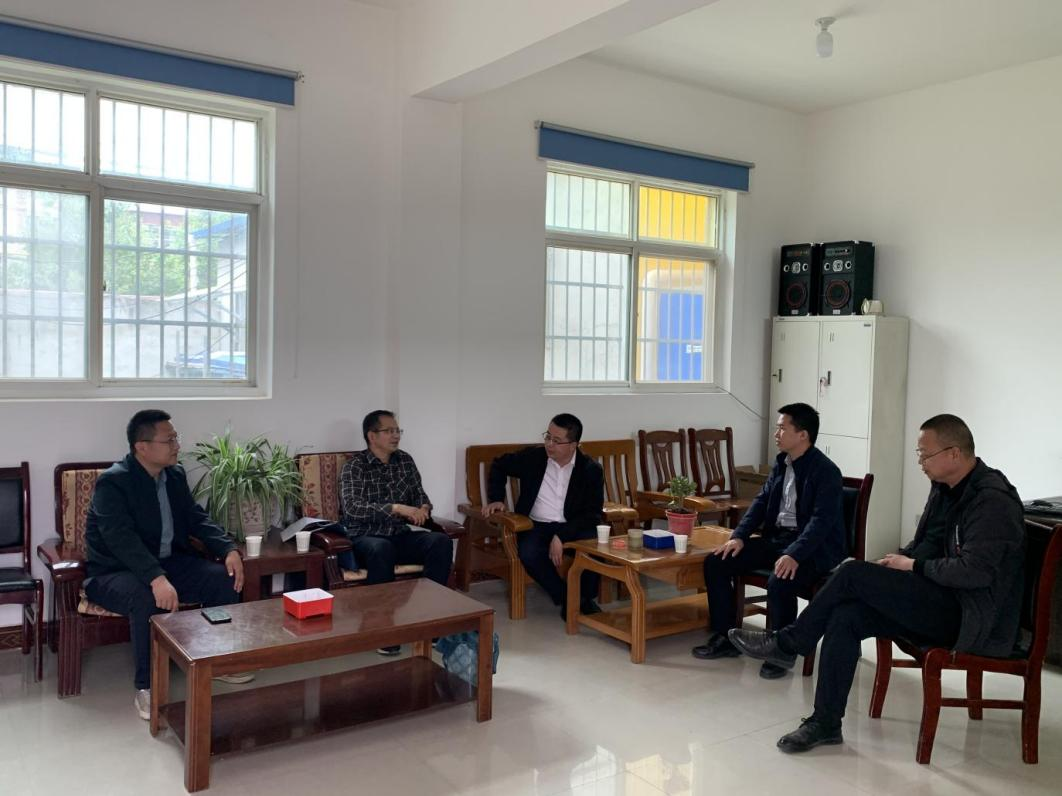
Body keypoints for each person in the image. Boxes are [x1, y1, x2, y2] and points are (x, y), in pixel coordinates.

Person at [729, 414, 1025, 753]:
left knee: (852, 573)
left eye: (924, 455)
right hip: (939, 598)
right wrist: (900, 560)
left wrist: (912, 565)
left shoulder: (991, 501)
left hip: (971, 617)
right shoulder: (946, 488)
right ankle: (825, 722)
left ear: (954, 453)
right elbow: (928, 543)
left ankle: (789, 642)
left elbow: (976, 572)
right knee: (846, 615)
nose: (920, 462)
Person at [84, 409, 250, 721]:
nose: (177, 445)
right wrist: (155, 578)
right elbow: (120, 539)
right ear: (142, 447)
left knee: (222, 578)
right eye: (169, 440)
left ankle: (217, 661)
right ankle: (147, 686)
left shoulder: (174, 475)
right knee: (145, 596)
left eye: (176, 438)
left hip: (167, 563)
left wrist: (227, 548)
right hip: (114, 572)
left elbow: (195, 517)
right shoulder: (113, 483)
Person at [692, 402, 846, 679]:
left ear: (803, 435)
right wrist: (739, 537)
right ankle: (726, 637)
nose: (776, 433)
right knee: (717, 561)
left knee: (780, 578)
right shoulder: (781, 463)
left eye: (782, 428)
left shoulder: (826, 471)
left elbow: (821, 522)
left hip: (814, 548)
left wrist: (795, 554)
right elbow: (761, 502)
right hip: (778, 539)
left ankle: (781, 650)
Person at [339, 410, 454, 654]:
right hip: (365, 538)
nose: (396, 436)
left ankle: (431, 624)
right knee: (382, 548)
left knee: (440, 541)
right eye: (389, 431)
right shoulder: (355, 466)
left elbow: (419, 495)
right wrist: (396, 508)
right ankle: (384, 632)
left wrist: (423, 508)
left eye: (397, 430)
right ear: (372, 436)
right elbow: (352, 509)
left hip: (399, 535)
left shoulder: (405, 461)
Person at [483, 413, 604, 618]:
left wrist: (562, 536)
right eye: (548, 437)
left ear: (573, 445)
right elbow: (499, 464)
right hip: (535, 525)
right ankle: (569, 599)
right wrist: (496, 498)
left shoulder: (590, 470)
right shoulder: (534, 457)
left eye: (556, 440)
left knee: (595, 546)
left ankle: (584, 596)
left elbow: (592, 513)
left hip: (572, 525)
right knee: (530, 552)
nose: (549, 444)